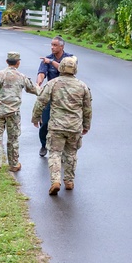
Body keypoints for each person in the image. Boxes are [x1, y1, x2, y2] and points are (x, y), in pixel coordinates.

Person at [31, 55, 92, 195]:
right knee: (71, 153)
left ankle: (55, 181)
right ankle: (69, 181)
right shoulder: (82, 86)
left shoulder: (52, 84)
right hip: (74, 126)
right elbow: (87, 108)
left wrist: (35, 118)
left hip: (56, 126)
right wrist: (86, 125)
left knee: (55, 153)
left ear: (61, 68)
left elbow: (41, 102)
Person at [0, 51, 38, 176]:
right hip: (13, 114)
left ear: (6, 61)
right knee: (13, 139)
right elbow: (34, 89)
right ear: (18, 63)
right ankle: (14, 165)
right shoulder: (22, 76)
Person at [35, 35, 74, 157]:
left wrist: (52, 62)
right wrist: (39, 83)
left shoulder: (70, 59)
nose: (52, 47)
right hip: (51, 93)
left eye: (55, 45)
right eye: (51, 45)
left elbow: (66, 69)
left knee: (66, 122)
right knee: (45, 121)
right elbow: (42, 73)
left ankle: (63, 148)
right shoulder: (47, 59)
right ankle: (44, 144)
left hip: (66, 94)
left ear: (62, 46)